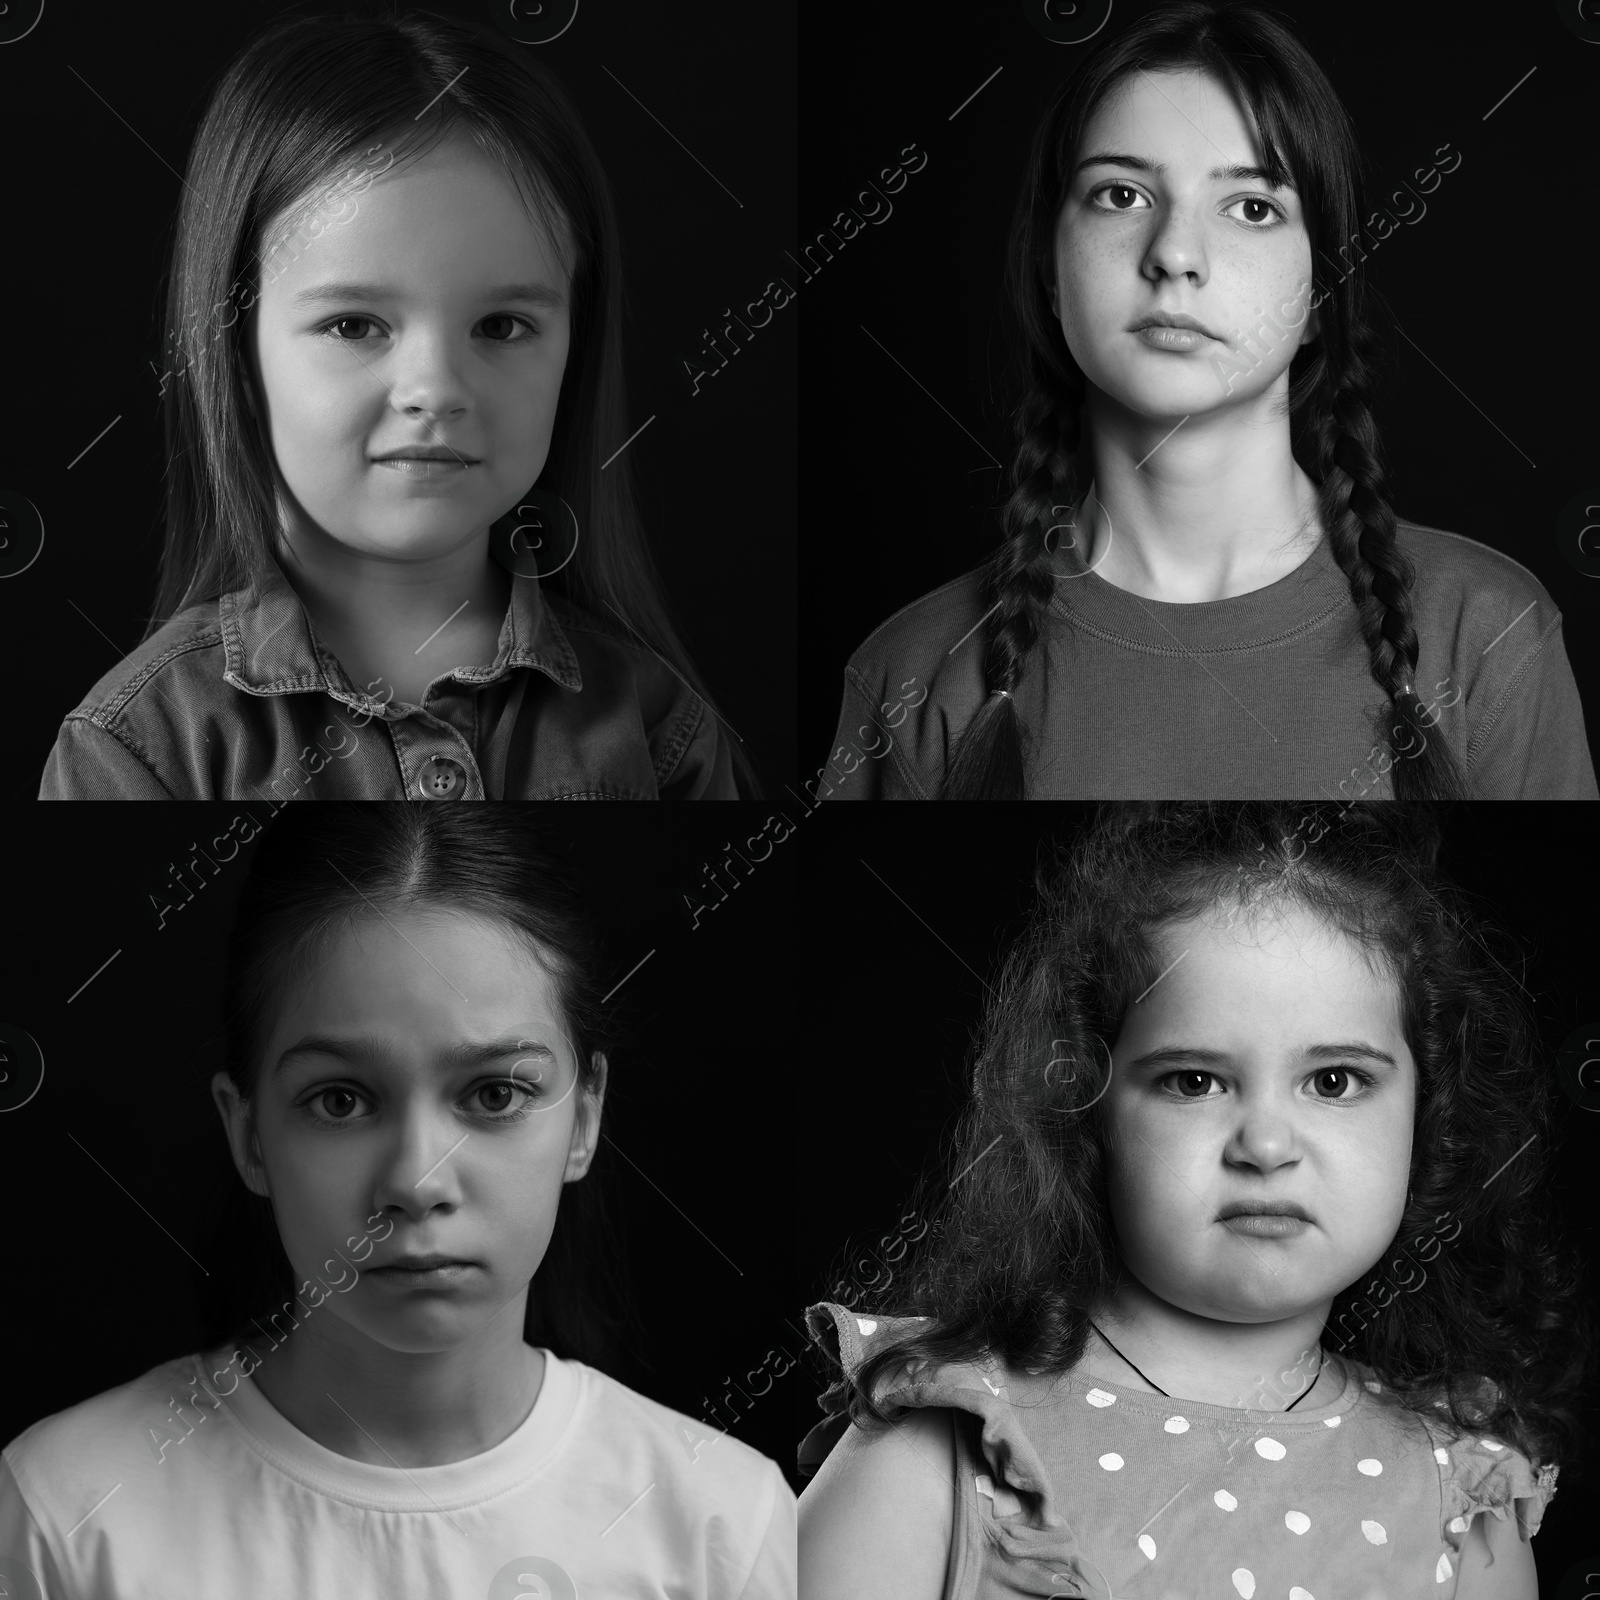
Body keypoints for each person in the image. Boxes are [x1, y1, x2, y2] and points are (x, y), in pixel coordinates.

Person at [0, 807, 794, 1596]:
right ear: (248, 1137)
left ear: (583, 1119)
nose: (417, 1182)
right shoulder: (66, 1514)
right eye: (341, 1100)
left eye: (495, 1094)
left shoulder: (725, 1526)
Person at [798, 803, 1583, 1599]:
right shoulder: (953, 1443)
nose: (1267, 1145)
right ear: (1085, 1111)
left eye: (1335, 1081)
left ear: (1430, 1112)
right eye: (1194, 1082)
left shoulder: (1463, 1495)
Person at [822, 1, 1594, 800]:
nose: (1176, 255)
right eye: (1120, 195)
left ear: (1322, 293)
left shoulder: (1489, 633)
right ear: (1051, 269)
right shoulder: (909, 677)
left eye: (1252, 208)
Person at [40, 9, 752, 800]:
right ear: (235, 354)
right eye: (353, 325)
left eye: (502, 326)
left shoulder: (658, 730)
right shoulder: (142, 749)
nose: (437, 389)